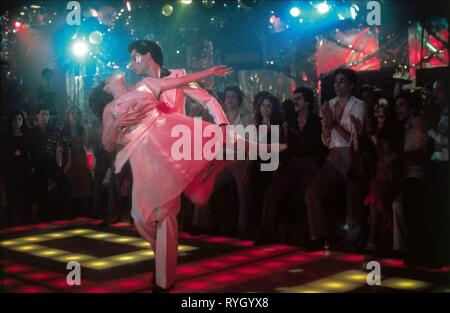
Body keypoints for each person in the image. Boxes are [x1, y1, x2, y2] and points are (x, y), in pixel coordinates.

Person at [305, 68, 368, 252]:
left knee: (353, 200)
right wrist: (326, 126)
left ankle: (353, 245)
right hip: (333, 156)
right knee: (311, 192)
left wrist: (333, 123)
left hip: (352, 154)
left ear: (351, 85)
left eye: (341, 81)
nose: (337, 85)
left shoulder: (359, 105)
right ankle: (319, 236)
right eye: (335, 82)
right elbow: (326, 140)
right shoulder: (329, 104)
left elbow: (353, 137)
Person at [62, 106, 93, 217]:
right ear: (68, 114)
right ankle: (73, 210)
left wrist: (88, 134)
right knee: (72, 180)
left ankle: (85, 210)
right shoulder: (64, 128)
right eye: (72, 113)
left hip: (80, 154)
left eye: (76, 113)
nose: (75, 115)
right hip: (70, 155)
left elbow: (87, 145)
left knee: (84, 180)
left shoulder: (81, 128)